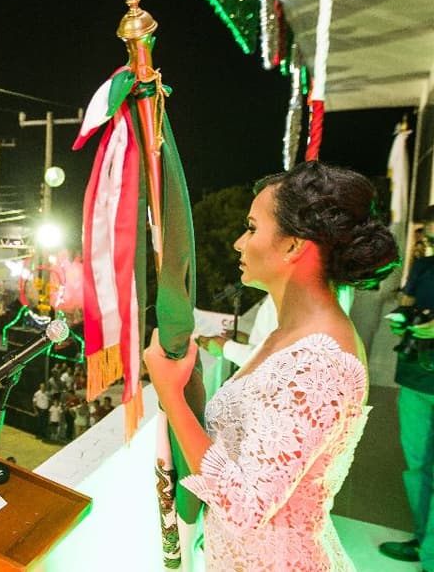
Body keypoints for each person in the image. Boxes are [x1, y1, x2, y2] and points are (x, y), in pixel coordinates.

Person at [144, 160, 398, 572]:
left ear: (293, 245)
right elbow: (249, 452)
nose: (239, 243)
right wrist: (191, 393)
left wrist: (170, 397)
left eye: (252, 227)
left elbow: (245, 507)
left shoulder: (321, 363)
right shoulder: (288, 334)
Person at [379, 206, 434, 567]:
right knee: (417, 465)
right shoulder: (425, 267)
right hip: (415, 377)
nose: (427, 233)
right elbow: (407, 305)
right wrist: (404, 322)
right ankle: (422, 540)